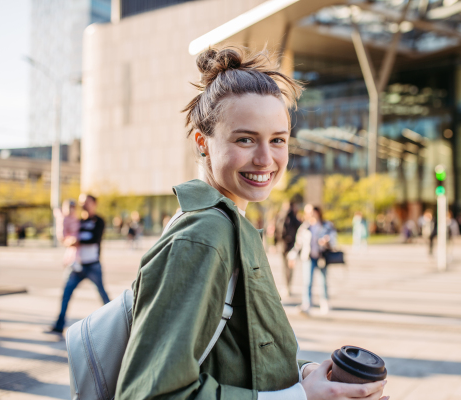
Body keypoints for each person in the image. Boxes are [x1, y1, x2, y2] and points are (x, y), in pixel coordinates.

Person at [115, 47, 389, 400]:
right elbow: (150, 394)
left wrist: (309, 374)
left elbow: (233, 354)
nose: (265, 159)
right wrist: (300, 397)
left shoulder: (230, 223)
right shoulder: (205, 236)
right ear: (203, 144)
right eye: (245, 139)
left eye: (278, 140)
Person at [49, 194, 110, 334]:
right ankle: (59, 324)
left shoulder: (98, 221)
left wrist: (76, 241)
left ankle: (116, 322)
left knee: (103, 294)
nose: (84, 205)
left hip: (93, 265)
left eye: (87, 202)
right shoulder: (76, 220)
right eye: (82, 202)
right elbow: (66, 235)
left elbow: (95, 239)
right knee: (66, 294)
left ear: (94, 203)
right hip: (76, 265)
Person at [292, 205, 337, 315]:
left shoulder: (326, 225)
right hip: (308, 257)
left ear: (317, 212)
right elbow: (298, 244)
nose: (310, 214)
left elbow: (334, 238)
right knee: (307, 281)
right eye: (308, 212)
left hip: (322, 256)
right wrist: (292, 256)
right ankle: (307, 304)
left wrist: (327, 241)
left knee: (323, 281)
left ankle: (324, 302)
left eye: (311, 211)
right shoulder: (304, 227)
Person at [274, 201, 301, 296]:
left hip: (291, 246)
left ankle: (288, 285)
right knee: (285, 267)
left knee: (289, 267)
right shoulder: (281, 218)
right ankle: (286, 285)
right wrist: (275, 244)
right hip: (283, 245)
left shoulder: (293, 219)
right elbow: (276, 231)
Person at [55, 200, 81, 271]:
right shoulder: (63, 218)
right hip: (71, 239)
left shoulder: (74, 217)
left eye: (73, 207)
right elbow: (61, 234)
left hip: (76, 238)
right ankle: (71, 262)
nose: (71, 209)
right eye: (69, 207)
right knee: (72, 251)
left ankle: (73, 262)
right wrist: (68, 240)